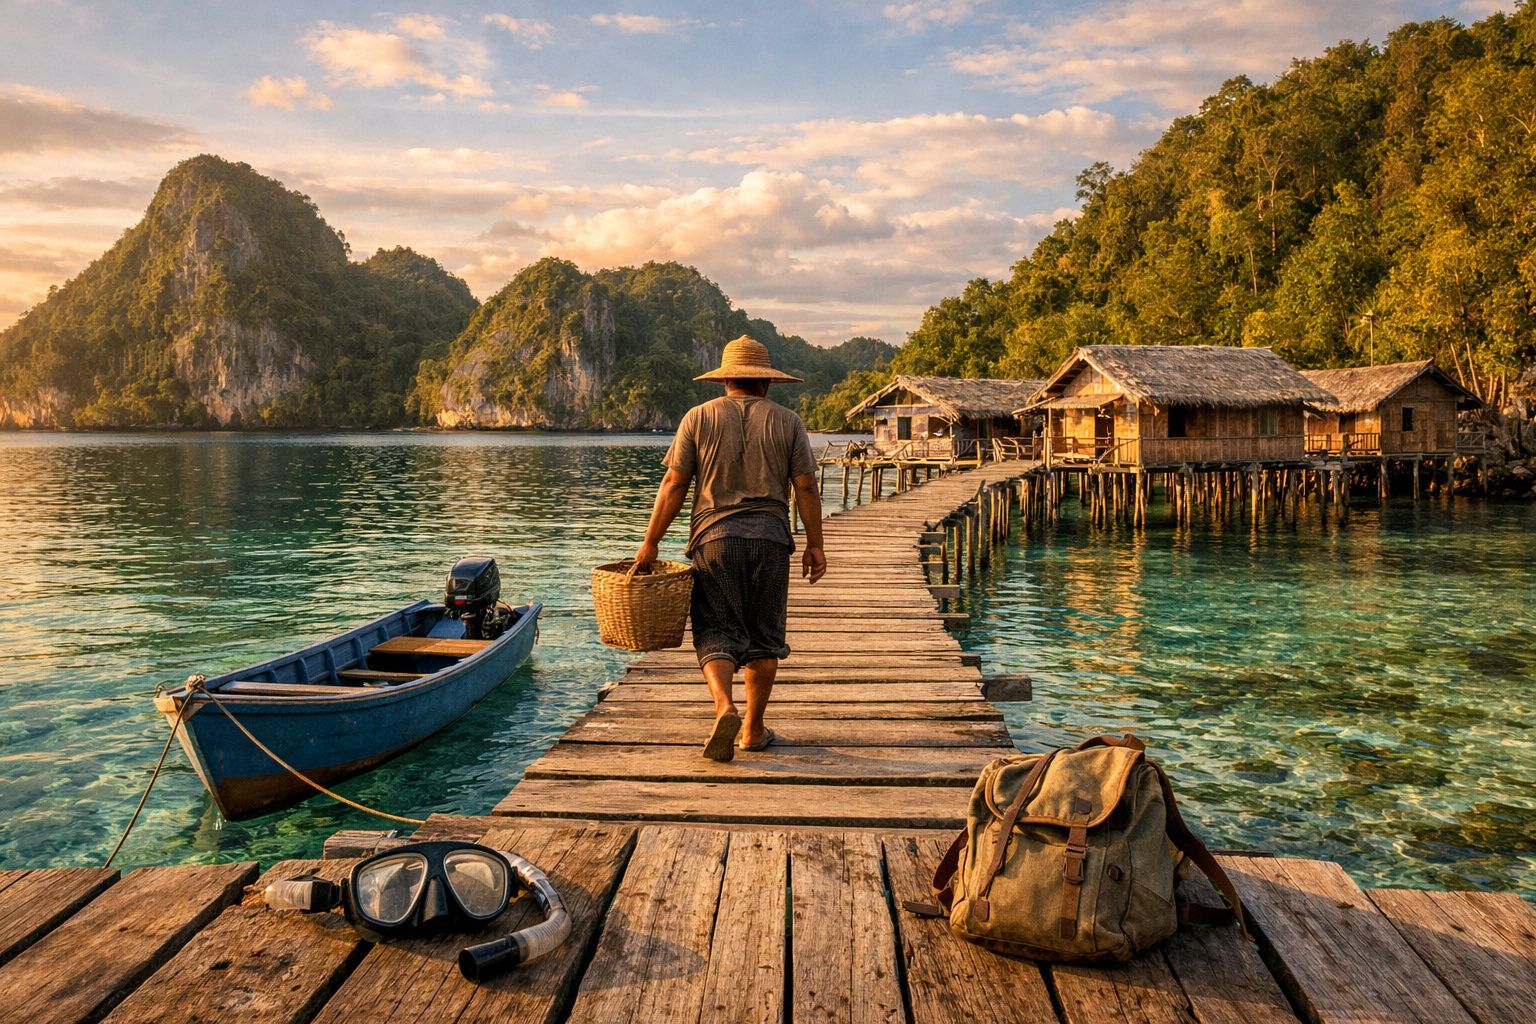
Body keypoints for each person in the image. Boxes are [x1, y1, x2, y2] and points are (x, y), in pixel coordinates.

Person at [634, 335, 826, 761]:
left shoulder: (697, 418)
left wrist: (650, 543)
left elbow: (675, 484)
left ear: (725, 381)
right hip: (772, 541)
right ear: (767, 383)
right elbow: (806, 486)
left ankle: (724, 706)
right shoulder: (788, 421)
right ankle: (753, 731)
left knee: (715, 629)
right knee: (764, 635)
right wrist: (816, 544)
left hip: (714, 541)